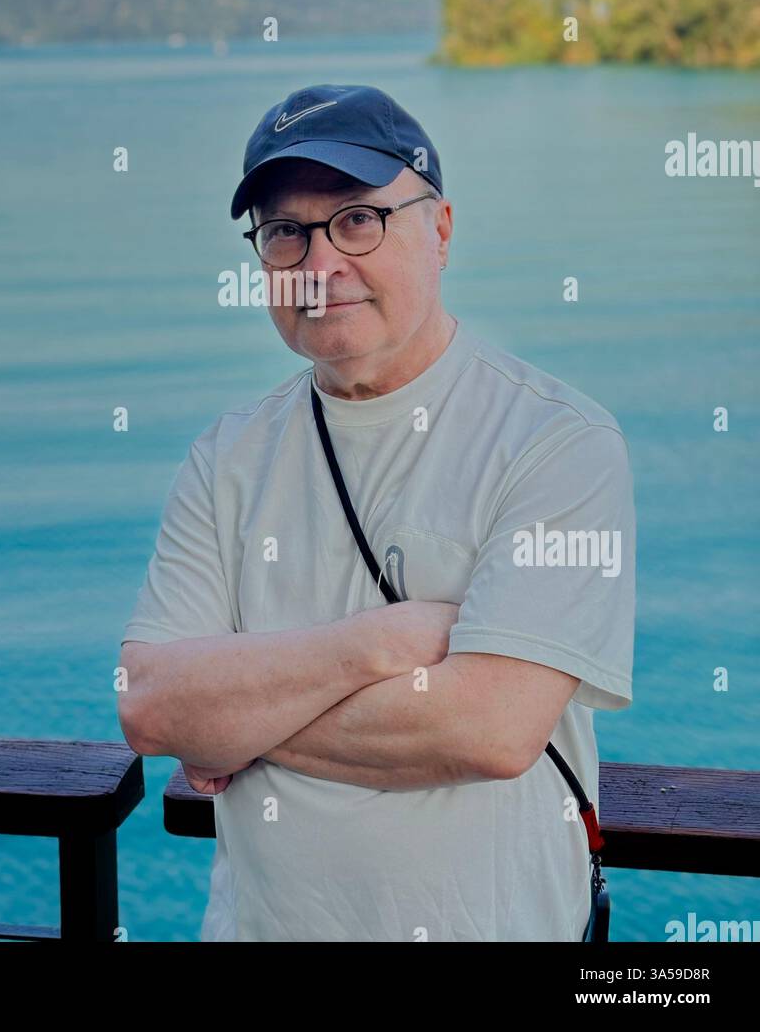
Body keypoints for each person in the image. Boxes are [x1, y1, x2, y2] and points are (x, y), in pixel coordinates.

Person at [119, 83, 636, 942]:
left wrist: (236, 723)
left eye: (358, 219)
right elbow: (147, 707)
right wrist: (381, 643)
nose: (320, 267)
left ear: (438, 230)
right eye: (286, 233)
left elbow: (491, 727)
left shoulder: (557, 442)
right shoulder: (227, 456)